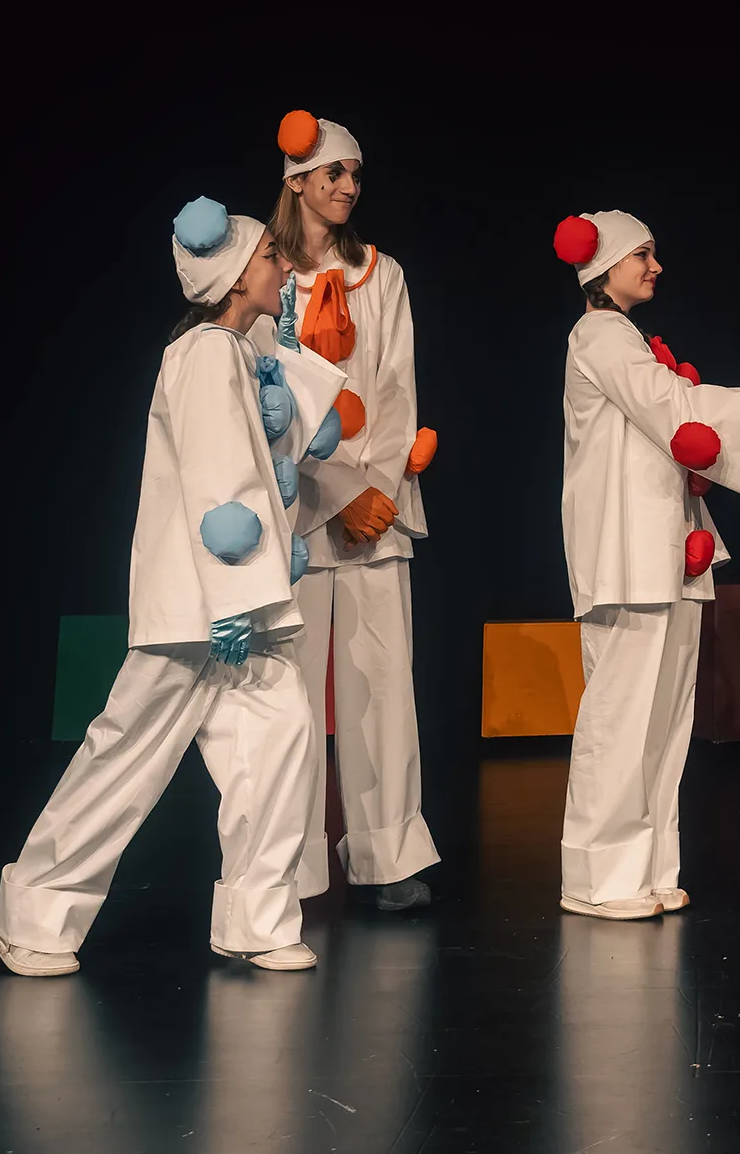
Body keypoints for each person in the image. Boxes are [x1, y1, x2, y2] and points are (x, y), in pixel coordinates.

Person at [0, 198, 347, 974]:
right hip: (204, 608)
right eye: (270, 257)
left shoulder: (237, 353)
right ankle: (34, 916)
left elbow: (292, 447)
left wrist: (287, 352)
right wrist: (233, 599)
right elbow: (220, 486)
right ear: (236, 274)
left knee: (281, 743)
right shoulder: (204, 354)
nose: (283, 267)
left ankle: (258, 920)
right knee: (125, 758)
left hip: (242, 607)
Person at [551, 208, 740, 920]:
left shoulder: (626, 337)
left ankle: (647, 867)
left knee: (663, 717)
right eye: (643, 255)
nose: (656, 267)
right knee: (623, 714)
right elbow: (673, 406)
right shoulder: (599, 334)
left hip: (661, 547)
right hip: (625, 551)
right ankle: (597, 877)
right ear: (605, 264)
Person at [255, 111, 440, 912]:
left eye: (356, 174)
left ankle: (388, 856)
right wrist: (334, 492)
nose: (349, 187)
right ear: (297, 181)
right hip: (299, 509)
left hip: (377, 509)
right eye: (335, 173)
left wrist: (378, 492)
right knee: (289, 691)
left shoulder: (382, 274)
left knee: (381, 683)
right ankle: (288, 868)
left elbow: (397, 389)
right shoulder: (265, 275)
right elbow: (270, 399)